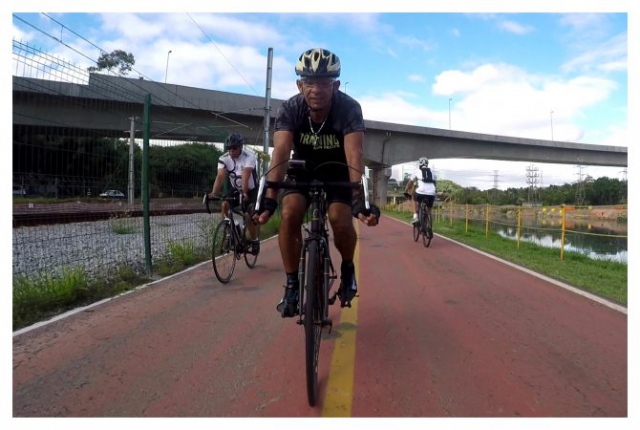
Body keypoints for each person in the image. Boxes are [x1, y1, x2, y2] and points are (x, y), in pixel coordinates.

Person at [253, 47, 380, 318]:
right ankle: (292, 286)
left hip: (338, 172)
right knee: (289, 214)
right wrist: (269, 199)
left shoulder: (349, 108)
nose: (316, 90)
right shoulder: (290, 108)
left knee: (339, 219)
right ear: (300, 85)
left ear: (335, 86)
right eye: (309, 83)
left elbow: (354, 154)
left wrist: (359, 200)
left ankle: (347, 269)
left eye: (323, 83)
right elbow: (281, 152)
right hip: (302, 170)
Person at [209, 132, 260, 255]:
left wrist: (244, 193)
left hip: (251, 190)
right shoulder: (223, 158)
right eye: (229, 148)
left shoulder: (249, 156)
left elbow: (246, 176)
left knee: (248, 216)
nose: (231, 151)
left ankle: (255, 240)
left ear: (240, 147)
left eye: (234, 148)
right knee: (225, 205)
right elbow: (220, 176)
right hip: (236, 188)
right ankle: (233, 227)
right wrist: (214, 193)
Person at [408, 157, 437, 231]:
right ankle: (429, 225)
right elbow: (435, 182)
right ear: (427, 164)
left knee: (413, 197)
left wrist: (406, 190)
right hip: (432, 192)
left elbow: (410, 183)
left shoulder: (417, 170)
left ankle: (415, 216)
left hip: (421, 191)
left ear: (420, 164)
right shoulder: (432, 171)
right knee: (429, 210)